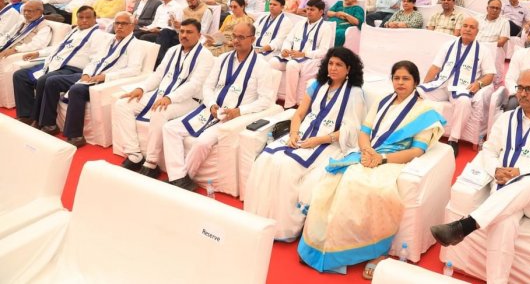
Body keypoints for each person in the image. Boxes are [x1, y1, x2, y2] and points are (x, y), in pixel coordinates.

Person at [299, 60, 446, 276]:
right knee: (333, 182)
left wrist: (382, 159)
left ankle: (375, 252)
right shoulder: (383, 101)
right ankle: (323, 246)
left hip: (393, 159)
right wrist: (367, 151)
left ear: (416, 81)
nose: (400, 82)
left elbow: (417, 151)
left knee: (363, 187)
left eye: (406, 78)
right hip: (368, 153)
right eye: (397, 78)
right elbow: (364, 132)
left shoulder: (425, 111)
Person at [430, 69, 530, 284]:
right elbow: (488, 150)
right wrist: (496, 169)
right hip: (506, 192)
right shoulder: (505, 119)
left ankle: (466, 226)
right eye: (520, 88)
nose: (522, 94)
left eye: (529, 89)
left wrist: (521, 172)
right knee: (503, 223)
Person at [245, 47, 367, 240]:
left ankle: (282, 228)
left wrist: (318, 140)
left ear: (349, 69)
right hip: (303, 133)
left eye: (339, 65)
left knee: (285, 166)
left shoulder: (355, 93)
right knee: (266, 158)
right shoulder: (317, 85)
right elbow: (299, 114)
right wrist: (293, 133)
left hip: (328, 142)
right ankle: (257, 218)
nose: (333, 68)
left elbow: (351, 129)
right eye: (331, 63)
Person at [162, 21, 276, 190]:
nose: (236, 40)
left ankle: (183, 177)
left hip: (233, 116)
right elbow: (208, 86)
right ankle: (179, 178)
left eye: (241, 37)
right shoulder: (222, 59)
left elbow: (266, 100)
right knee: (170, 129)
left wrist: (239, 111)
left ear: (253, 39)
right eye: (234, 36)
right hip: (211, 109)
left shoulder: (262, 66)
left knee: (202, 143)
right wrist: (211, 105)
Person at [112, 18, 214, 178]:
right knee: (122, 104)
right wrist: (141, 88)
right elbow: (158, 74)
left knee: (160, 111)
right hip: (162, 93)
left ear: (199, 35)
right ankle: (134, 154)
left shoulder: (206, 56)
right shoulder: (173, 50)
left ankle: (151, 163)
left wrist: (170, 98)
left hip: (189, 100)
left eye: (189, 32)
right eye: (182, 31)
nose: (184, 35)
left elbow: (194, 85)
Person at [13, 6, 109, 132]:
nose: (84, 20)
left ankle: (47, 123)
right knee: (20, 75)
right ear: (77, 19)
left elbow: (97, 58)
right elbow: (58, 47)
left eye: (88, 17)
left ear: (95, 19)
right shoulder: (74, 31)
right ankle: (26, 115)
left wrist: (88, 73)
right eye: (81, 17)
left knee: (45, 79)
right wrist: (39, 53)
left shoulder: (99, 35)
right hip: (56, 63)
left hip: (73, 69)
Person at [56, 13, 141, 147]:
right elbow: (95, 60)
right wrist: (86, 73)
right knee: (52, 81)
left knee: (77, 89)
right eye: (117, 23)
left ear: (132, 26)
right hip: (92, 75)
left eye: (123, 24)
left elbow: (134, 70)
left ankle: (76, 135)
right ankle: (47, 124)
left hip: (108, 80)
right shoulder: (110, 40)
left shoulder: (136, 45)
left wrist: (105, 77)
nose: (119, 26)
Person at [420, 17, 495, 157]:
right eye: (465, 26)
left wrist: (478, 84)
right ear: (460, 28)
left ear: (477, 31)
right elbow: (435, 67)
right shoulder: (448, 45)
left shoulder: (483, 50)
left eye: (471, 27)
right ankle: (415, 131)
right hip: (442, 84)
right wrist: (425, 85)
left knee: (464, 102)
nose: (467, 29)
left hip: (461, 88)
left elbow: (490, 75)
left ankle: (453, 140)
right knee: (416, 93)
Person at [270, 0, 333, 109]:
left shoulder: (325, 28)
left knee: (292, 65)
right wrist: (285, 49)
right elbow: (288, 40)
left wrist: (303, 54)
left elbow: (324, 51)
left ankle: (289, 104)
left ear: (321, 12)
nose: (308, 12)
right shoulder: (300, 23)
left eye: (312, 10)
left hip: (310, 59)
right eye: (307, 9)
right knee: (273, 62)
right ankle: (271, 98)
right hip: (293, 56)